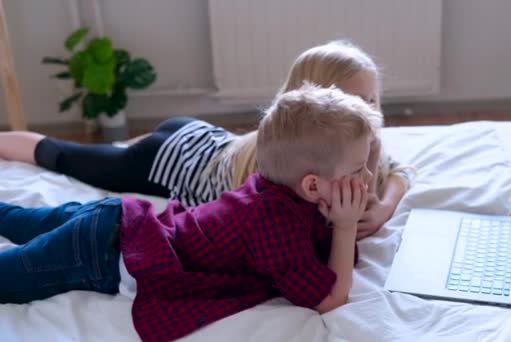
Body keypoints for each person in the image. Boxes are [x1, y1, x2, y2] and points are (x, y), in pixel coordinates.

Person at [0, 85, 378, 342]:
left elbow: (322, 257)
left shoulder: (283, 192)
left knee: (17, 219)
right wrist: (344, 228)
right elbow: (327, 299)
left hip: (116, 220)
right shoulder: (275, 221)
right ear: (311, 185)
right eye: (358, 170)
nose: (368, 178)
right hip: (99, 252)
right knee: (10, 276)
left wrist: (338, 220)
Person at [0, 40, 414, 239]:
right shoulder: (277, 173)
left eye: (374, 99)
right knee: (64, 156)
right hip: (170, 159)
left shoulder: (358, 144)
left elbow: (399, 171)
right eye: (356, 101)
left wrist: (384, 207)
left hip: (206, 138)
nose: (372, 112)